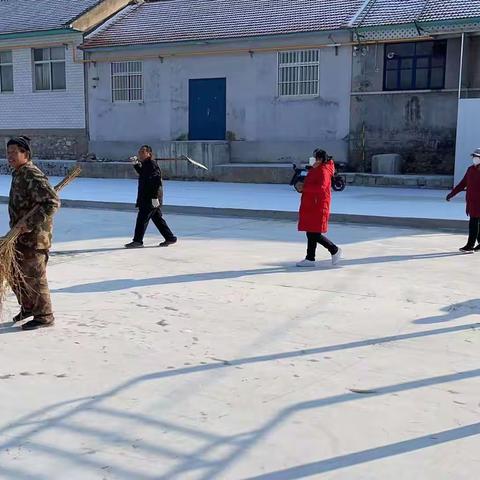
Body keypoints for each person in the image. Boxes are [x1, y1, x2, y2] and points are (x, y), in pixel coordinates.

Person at [7, 136, 60, 330]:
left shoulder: (31, 173)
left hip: (35, 238)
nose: (10, 156)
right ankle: (28, 306)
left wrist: (28, 224)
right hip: (19, 236)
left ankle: (44, 315)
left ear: (25, 154)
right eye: (8, 152)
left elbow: (52, 202)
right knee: (14, 273)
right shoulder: (19, 173)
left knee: (35, 278)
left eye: (14, 152)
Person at [296, 148, 342, 267]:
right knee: (310, 231)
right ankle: (310, 258)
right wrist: (301, 187)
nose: (312, 160)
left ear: (320, 159)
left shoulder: (323, 170)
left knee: (314, 233)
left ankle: (334, 249)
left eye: (315, 158)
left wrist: (304, 189)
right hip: (312, 204)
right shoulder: (316, 168)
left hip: (318, 205)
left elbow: (321, 188)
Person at [125, 145, 177, 248]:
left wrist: (154, 198)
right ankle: (170, 238)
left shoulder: (152, 164)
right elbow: (143, 174)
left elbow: (156, 182)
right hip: (147, 197)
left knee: (142, 219)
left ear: (149, 153)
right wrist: (136, 164)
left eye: (143, 152)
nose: (140, 154)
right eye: (140, 152)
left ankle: (138, 241)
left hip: (150, 198)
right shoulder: (146, 164)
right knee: (157, 219)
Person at [446, 147, 480, 253]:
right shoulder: (470, 169)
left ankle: (470, 246)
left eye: (477, 157)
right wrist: (452, 194)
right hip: (471, 202)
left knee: (474, 224)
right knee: (476, 223)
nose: (474, 158)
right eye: (474, 156)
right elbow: (462, 184)